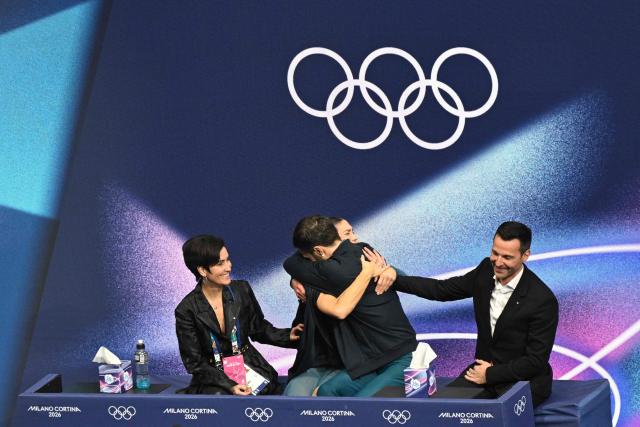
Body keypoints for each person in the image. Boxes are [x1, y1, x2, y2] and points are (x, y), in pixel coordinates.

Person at [390, 221, 558, 406]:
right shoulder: (486, 270)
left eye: (507, 257)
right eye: (495, 253)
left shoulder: (542, 299)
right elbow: (441, 289)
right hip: (481, 372)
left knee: (501, 417)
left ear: (525, 255)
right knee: (444, 410)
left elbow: (536, 361)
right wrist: (395, 279)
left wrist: (489, 374)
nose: (499, 262)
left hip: (524, 380)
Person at [283, 215, 417, 397]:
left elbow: (290, 263)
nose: (354, 238)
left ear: (319, 250)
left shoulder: (328, 272)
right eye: (347, 233)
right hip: (368, 360)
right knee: (326, 392)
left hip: (399, 357)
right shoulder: (364, 251)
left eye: (307, 258)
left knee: (358, 408)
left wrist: (295, 277)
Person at [175, 235, 303, 395]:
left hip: (249, 365)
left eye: (228, 260)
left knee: (267, 393)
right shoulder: (186, 309)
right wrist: (229, 385)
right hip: (214, 377)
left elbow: (258, 329)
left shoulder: (242, 290)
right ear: (202, 270)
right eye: (220, 263)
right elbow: (194, 362)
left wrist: (287, 336)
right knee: (223, 398)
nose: (228, 267)